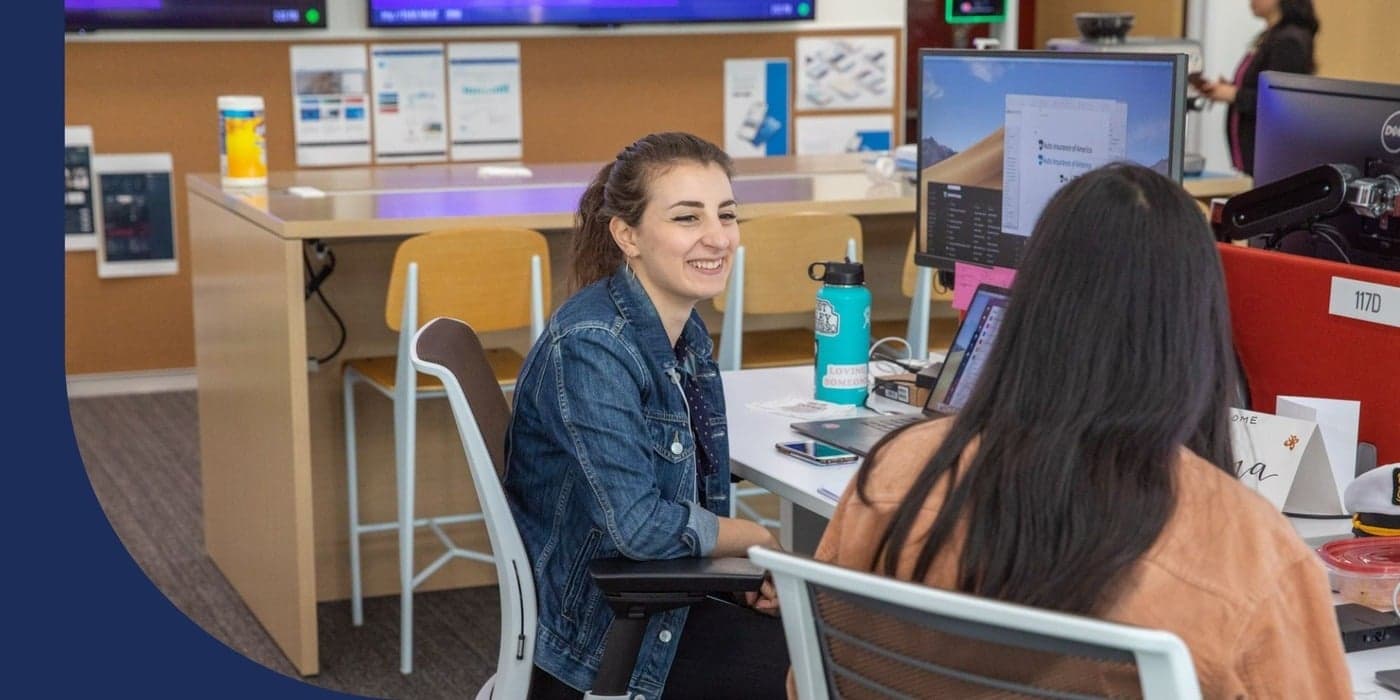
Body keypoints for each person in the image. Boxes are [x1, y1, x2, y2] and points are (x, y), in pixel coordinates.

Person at [811, 163, 1351, 697]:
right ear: (1195, 328)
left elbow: (813, 680)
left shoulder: (894, 478)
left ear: (1032, 305)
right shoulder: (1251, 557)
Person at [505, 132, 785, 699]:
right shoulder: (593, 345)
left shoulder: (680, 331)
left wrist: (740, 569)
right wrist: (756, 539)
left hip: (661, 603)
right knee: (849, 666)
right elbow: (639, 528)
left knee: (840, 635)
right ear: (627, 235)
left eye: (726, 215)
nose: (718, 238)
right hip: (611, 636)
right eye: (687, 218)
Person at [1199, 0, 1319, 174]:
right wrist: (1230, 89)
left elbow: (1282, 103)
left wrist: (1233, 94)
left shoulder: (1289, 41)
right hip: (1253, 159)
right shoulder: (1271, 36)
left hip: (1271, 159)